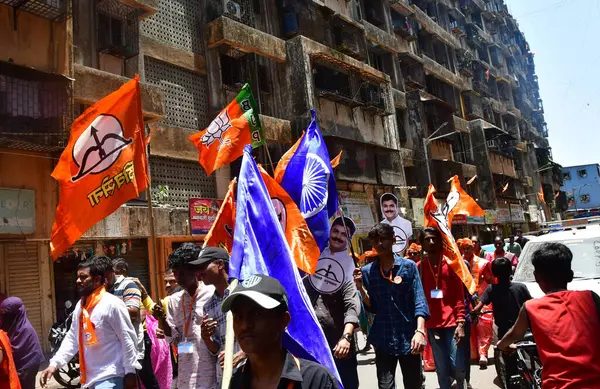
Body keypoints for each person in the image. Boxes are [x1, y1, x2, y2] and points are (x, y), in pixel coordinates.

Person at [498, 243, 600, 388]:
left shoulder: (530, 307)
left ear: (536, 277)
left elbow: (513, 335)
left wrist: (502, 346)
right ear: (570, 275)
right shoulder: (591, 297)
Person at [222, 274, 340, 389]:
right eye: (238, 317)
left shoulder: (316, 380)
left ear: (284, 320)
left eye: (256, 314)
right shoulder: (234, 382)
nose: (244, 326)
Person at [40, 258, 140, 389]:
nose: (78, 281)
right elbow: (73, 338)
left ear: (97, 280)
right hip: (89, 379)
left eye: (83, 277)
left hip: (110, 376)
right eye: (78, 277)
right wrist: (54, 364)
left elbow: (127, 338)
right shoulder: (80, 307)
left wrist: (130, 372)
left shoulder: (112, 304)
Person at [354, 223, 429, 389]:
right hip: (383, 340)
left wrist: (419, 332)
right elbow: (372, 306)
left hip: (409, 338)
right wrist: (360, 288)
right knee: (385, 386)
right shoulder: (367, 272)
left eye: (383, 240)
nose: (379, 244)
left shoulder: (408, 267)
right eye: (375, 241)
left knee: (413, 384)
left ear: (393, 240)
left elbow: (419, 300)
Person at [305, 218, 361, 389]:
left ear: (349, 239)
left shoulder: (350, 266)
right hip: (314, 341)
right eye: (335, 231)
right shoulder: (314, 257)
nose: (338, 236)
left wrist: (346, 337)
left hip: (339, 344)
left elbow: (352, 305)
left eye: (344, 234)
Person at [153, 243, 217, 389]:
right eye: (175, 273)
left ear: (193, 271)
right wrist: (162, 319)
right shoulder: (174, 301)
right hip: (185, 379)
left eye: (181, 273)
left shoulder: (211, 293)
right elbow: (175, 340)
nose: (178, 278)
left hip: (210, 377)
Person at [418, 227, 466, 389]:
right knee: (441, 368)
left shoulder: (451, 264)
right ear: (422, 244)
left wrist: (461, 322)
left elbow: (459, 296)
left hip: (453, 324)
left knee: (458, 365)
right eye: (427, 239)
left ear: (440, 241)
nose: (431, 242)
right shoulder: (420, 267)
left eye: (434, 238)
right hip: (433, 326)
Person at [472, 257, 531, 389]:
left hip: (506, 332)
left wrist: (472, 314)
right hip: (525, 329)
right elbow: (531, 304)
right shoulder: (521, 287)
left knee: (511, 367)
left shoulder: (491, 289)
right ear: (511, 271)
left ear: (494, 273)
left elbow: (478, 307)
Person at [194, 247, 245, 387]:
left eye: (203, 266)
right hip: (224, 377)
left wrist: (242, 354)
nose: (199, 273)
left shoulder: (244, 293)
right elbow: (216, 348)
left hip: (249, 372)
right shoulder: (208, 306)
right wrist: (206, 337)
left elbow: (264, 332)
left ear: (220, 265)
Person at [105, 258, 158, 389]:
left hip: (140, 338)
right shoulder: (111, 289)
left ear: (123, 272)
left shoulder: (130, 287)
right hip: (125, 340)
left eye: (116, 272)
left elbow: (140, 314)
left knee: (145, 377)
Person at [461, 238, 494, 368]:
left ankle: (483, 354)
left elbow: (490, 280)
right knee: (469, 328)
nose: (466, 250)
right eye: (464, 248)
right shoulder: (459, 264)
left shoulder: (483, 263)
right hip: (465, 299)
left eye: (468, 248)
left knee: (484, 327)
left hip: (481, 300)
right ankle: (472, 354)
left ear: (473, 248)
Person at [0, 297, 43, 389]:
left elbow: (11, 348)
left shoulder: (25, 329)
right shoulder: (10, 324)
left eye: (7, 312)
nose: (4, 315)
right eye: (2, 313)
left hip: (28, 364)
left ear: (18, 312)